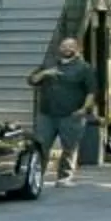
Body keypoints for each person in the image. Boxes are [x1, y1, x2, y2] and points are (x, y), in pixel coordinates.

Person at [26, 38, 100, 183]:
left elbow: (91, 91)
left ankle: (64, 177)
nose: (67, 49)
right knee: (41, 146)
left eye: (71, 46)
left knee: (69, 148)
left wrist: (83, 109)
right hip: (47, 115)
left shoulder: (84, 68)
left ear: (78, 49)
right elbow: (32, 80)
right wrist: (45, 73)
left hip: (71, 115)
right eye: (64, 46)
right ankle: (36, 178)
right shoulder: (48, 64)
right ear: (59, 48)